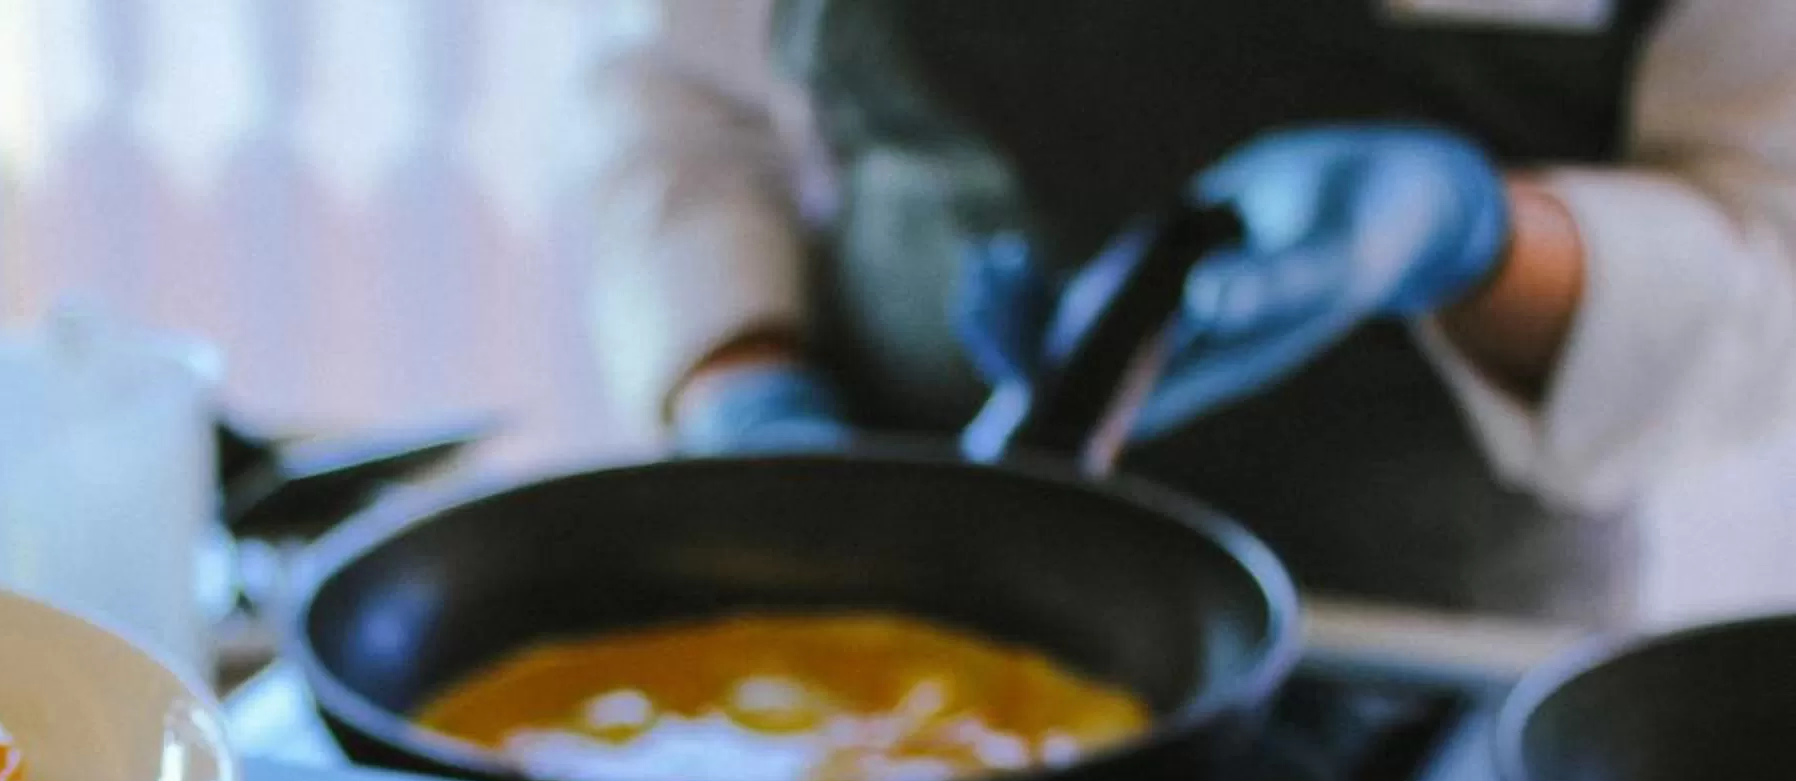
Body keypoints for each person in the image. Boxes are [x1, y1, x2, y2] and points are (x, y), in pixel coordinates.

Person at [583, 0, 1796, 620]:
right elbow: (676, 102)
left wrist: (1471, 233)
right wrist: (747, 385)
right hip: (878, 610)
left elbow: (1771, 250)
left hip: (1427, 656)